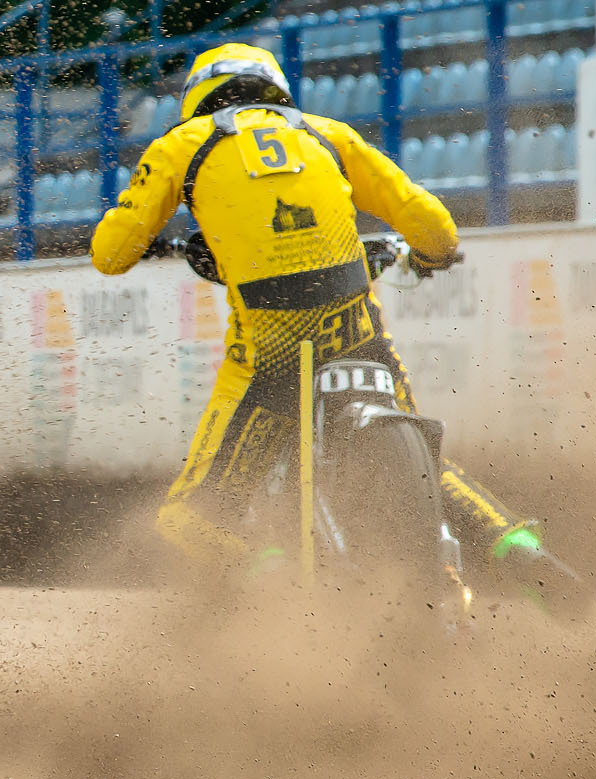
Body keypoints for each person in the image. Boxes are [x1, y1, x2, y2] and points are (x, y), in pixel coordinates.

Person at [90, 44, 566, 594]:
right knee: (427, 462)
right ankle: (517, 547)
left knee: (187, 520)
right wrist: (431, 257)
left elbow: (110, 255)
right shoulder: (327, 134)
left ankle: (276, 580)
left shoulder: (182, 145)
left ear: (199, 96)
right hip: (358, 334)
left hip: (269, 355)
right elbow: (433, 222)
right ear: (275, 88)